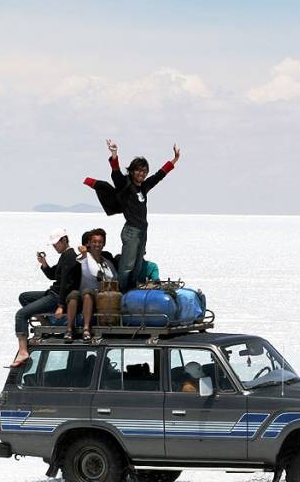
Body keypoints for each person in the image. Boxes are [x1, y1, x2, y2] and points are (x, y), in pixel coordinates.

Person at [83, 139, 180, 291]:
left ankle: (132, 293)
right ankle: (120, 293)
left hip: (142, 231)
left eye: (144, 171)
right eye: (138, 170)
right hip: (131, 231)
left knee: (137, 266)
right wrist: (114, 155)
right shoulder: (126, 186)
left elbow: (158, 176)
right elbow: (116, 174)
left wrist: (174, 160)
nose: (141, 174)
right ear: (132, 171)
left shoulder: (144, 187)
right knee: (127, 266)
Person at [9, 227, 81, 367]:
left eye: (56, 244)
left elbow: (66, 284)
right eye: (53, 245)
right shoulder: (65, 255)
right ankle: (46, 323)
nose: (55, 247)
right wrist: (44, 263)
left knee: (21, 315)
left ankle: (23, 351)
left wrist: (60, 306)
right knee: (24, 297)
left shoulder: (70, 257)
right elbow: (53, 275)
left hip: (56, 297)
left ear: (64, 240)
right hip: (53, 293)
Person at [65, 228, 117, 341]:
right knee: (74, 295)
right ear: (89, 243)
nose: (97, 244)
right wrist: (84, 254)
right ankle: (69, 329)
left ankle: (86, 328)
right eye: (94, 242)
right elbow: (87, 268)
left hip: (97, 295)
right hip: (82, 292)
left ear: (103, 244)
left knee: (87, 294)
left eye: (100, 242)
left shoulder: (106, 262)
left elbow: (113, 278)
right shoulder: (84, 257)